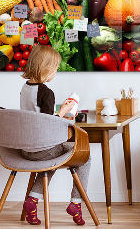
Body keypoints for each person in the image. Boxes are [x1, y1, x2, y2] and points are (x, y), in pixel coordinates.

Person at [19, 45, 90, 226]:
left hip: (26, 149)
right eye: (56, 68)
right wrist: (65, 111)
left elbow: (37, 116)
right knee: (85, 157)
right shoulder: (46, 92)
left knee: (50, 161)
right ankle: (76, 203)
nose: (56, 71)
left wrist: (58, 112)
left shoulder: (25, 88)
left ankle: (32, 201)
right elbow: (49, 123)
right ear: (47, 68)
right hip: (43, 149)